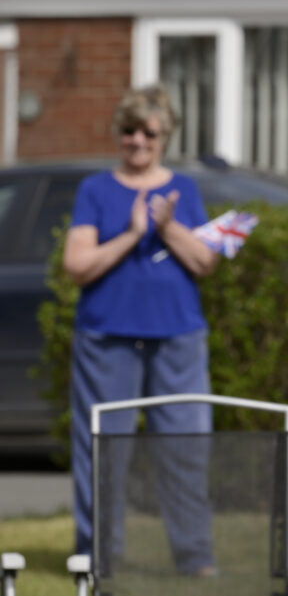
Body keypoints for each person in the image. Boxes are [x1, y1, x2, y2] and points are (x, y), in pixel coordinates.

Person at [63, 85, 219, 576]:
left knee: (185, 449)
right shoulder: (96, 190)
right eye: (128, 130)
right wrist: (131, 233)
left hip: (178, 338)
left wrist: (168, 226)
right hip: (106, 339)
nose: (137, 140)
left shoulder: (184, 191)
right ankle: (98, 557)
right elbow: (77, 264)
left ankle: (194, 557)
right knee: (103, 451)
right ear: (118, 134)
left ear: (163, 135)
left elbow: (205, 261)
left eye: (147, 131)